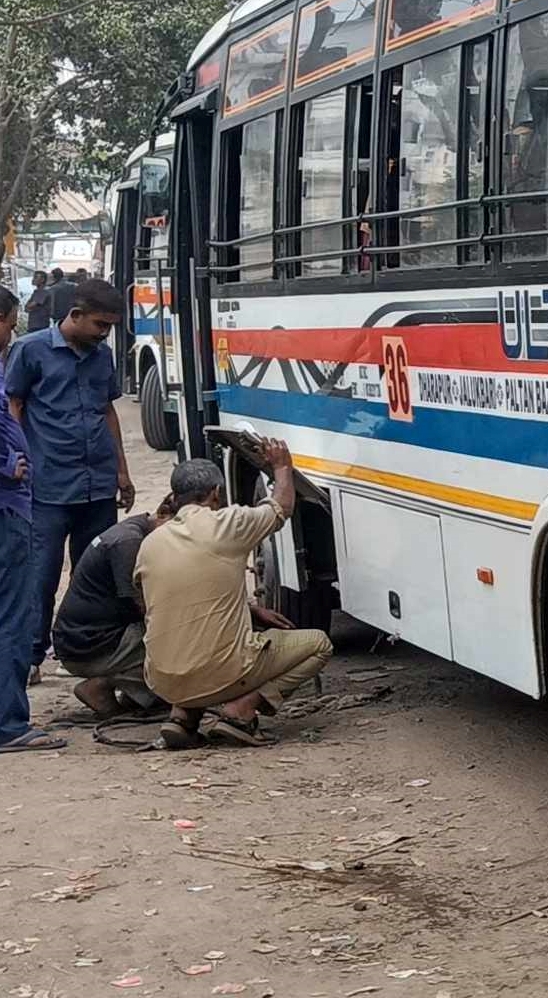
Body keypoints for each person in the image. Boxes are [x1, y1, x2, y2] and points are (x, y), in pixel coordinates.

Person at [137, 444, 330, 749]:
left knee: (187, 636)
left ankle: (183, 717)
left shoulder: (150, 543)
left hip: (161, 679)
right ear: (216, 493)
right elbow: (281, 507)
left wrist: (250, 610)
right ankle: (240, 712)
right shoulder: (228, 524)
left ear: (174, 498)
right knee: (318, 644)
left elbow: (180, 597)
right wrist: (281, 467)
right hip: (222, 671)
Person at [3, 277, 133, 685]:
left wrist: (122, 471)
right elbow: (15, 407)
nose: (104, 333)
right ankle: (32, 653)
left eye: (109, 326)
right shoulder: (30, 350)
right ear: (74, 316)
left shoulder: (102, 355)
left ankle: (83, 653)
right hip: (47, 486)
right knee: (40, 573)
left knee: (94, 574)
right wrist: (15, 466)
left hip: (97, 485)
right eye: (100, 324)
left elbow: (107, 412)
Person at [0, 287, 64, 751]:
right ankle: (9, 725)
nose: (12, 332)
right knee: (13, 618)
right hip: (7, 509)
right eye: (9, 321)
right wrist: (8, 467)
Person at [52, 490, 178, 718]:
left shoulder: (136, 529)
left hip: (89, 638)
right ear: (161, 514)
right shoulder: (128, 543)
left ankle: (135, 692)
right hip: (88, 647)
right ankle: (102, 686)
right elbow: (143, 607)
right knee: (179, 643)